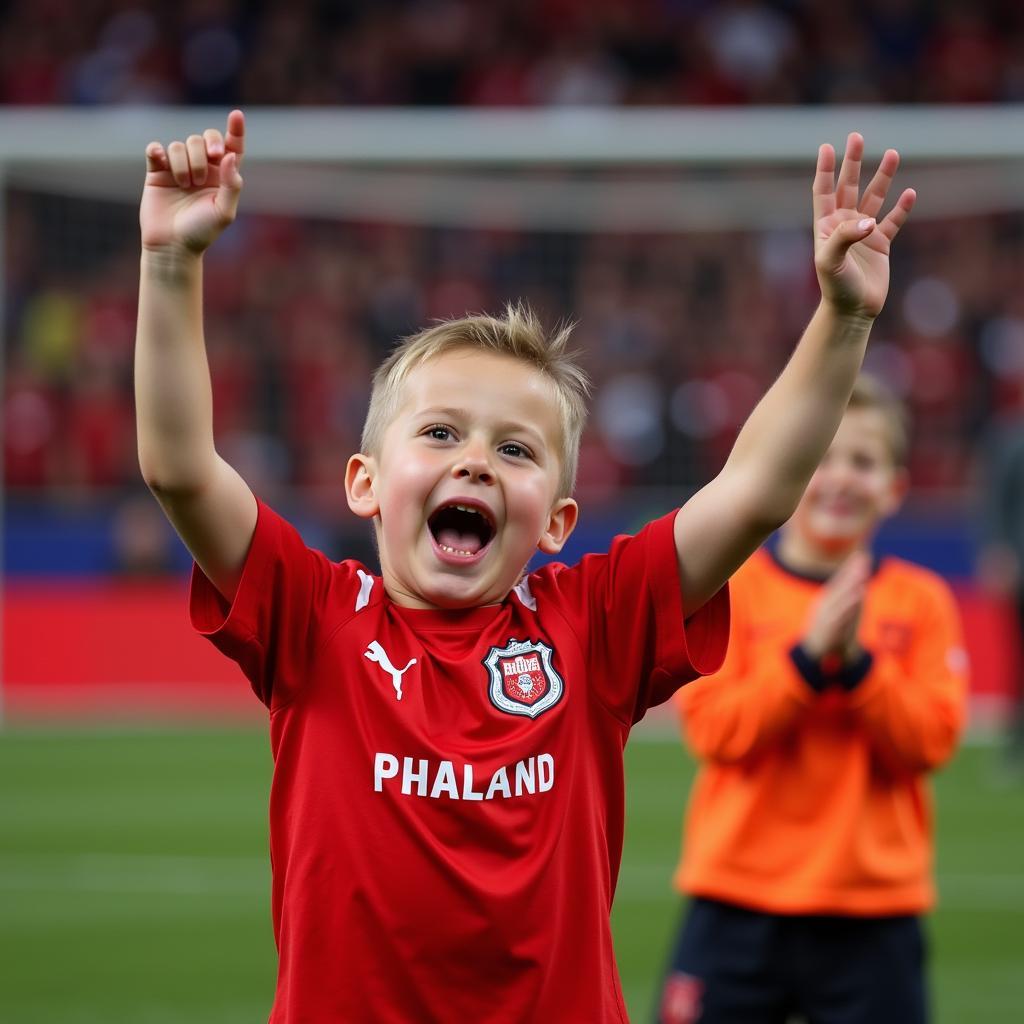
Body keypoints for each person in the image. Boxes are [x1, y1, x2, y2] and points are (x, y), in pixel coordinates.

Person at [135, 109, 915, 1023]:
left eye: (515, 450)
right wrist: (170, 262)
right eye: (439, 433)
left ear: (558, 521)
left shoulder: (595, 624)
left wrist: (844, 316)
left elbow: (753, 493)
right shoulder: (311, 614)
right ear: (365, 483)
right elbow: (180, 469)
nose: (473, 461)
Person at [658, 375, 968, 1024]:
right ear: (791, 474)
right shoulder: (732, 591)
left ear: (893, 489)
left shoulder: (922, 602)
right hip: (735, 898)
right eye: (821, 458)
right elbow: (717, 734)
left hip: (873, 910)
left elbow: (930, 743)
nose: (840, 479)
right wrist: (806, 660)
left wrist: (856, 666)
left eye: (862, 461)